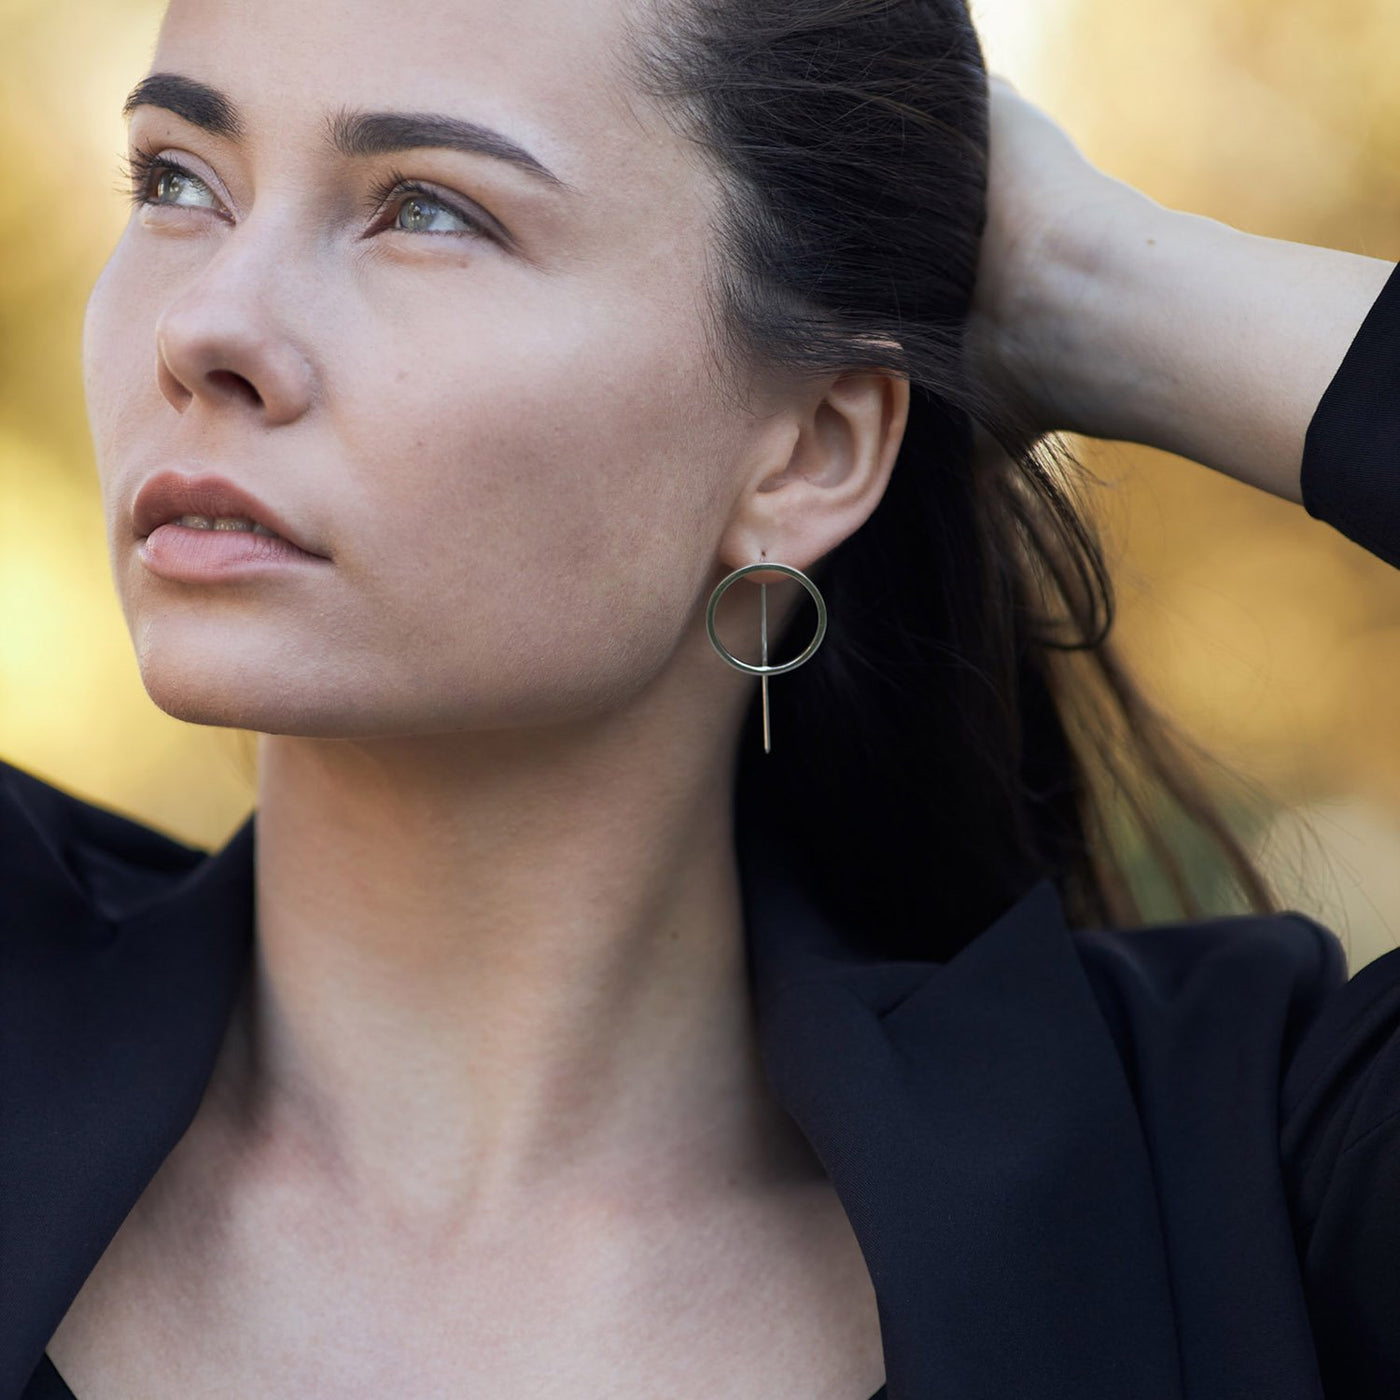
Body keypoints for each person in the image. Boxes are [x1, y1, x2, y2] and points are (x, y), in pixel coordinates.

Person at [2, 1, 1399, 1398]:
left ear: (808, 451)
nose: (206, 325)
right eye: (178, 179)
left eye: (425, 209)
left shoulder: (1219, 1187)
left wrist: (1088, 282)